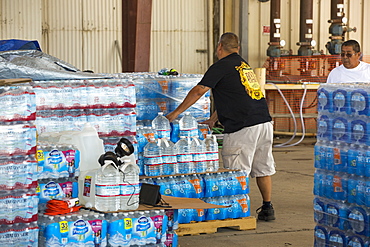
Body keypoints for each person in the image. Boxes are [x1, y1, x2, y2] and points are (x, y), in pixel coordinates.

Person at [166, 32, 276, 221]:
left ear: (219, 47)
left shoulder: (220, 66)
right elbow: (238, 95)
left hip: (243, 127)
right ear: (237, 48)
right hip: (264, 123)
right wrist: (213, 118)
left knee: (235, 172)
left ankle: (235, 211)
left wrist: (175, 113)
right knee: (263, 168)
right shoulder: (243, 66)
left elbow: (199, 90)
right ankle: (267, 208)